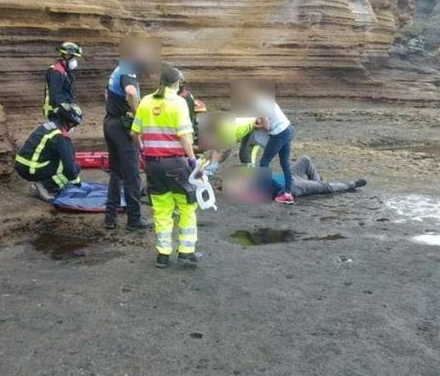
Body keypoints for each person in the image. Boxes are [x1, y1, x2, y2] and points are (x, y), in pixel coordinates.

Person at [131, 64, 199, 268]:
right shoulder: (178, 103)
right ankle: (186, 252)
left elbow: (134, 134)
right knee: (187, 207)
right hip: (176, 165)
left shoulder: (145, 102)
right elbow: (184, 136)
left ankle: (163, 255)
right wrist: (193, 160)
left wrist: (143, 151)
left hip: (153, 165)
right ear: (177, 83)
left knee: (162, 211)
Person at [102, 36, 158, 231]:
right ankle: (134, 219)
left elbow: (107, 94)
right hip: (122, 127)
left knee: (116, 172)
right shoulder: (128, 71)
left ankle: (110, 217)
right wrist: (138, 116)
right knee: (132, 174)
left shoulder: (118, 69)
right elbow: (131, 93)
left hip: (110, 123)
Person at [222, 156, 366, 204]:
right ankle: (351, 185)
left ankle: (318, 184)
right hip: (294, 186)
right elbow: (278, 192)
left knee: (305, 159)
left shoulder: (252, 181)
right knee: (326, 186)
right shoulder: (254, 193)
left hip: (289, 175)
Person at [15, 103, 84, 201]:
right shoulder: (60, 136)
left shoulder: (49, 126)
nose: (73, 128)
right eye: (74, 124)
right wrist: (76, 182)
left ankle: (45, 183)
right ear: (69, 122)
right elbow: (69, 166)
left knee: (62, 161)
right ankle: (43, 186)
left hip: (22, 165)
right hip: (31, 168)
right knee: (71, 166)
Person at [252, 88, 295, 205]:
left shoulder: (259, 105)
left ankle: (261, 193)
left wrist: (255, 126)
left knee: (264, 162)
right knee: (285, 163)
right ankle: (287, 194)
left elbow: (266, 126)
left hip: (279, 134)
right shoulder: (268, 101)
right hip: (289, 129)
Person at [43, 42, 82, 121]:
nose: (75, 61)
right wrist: (67, 110)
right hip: (55, 112)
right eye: (74, 57)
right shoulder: (56, 71)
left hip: (61, 109)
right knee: (59, 132)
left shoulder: (65, 71)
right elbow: (56, 95)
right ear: (66, 56)